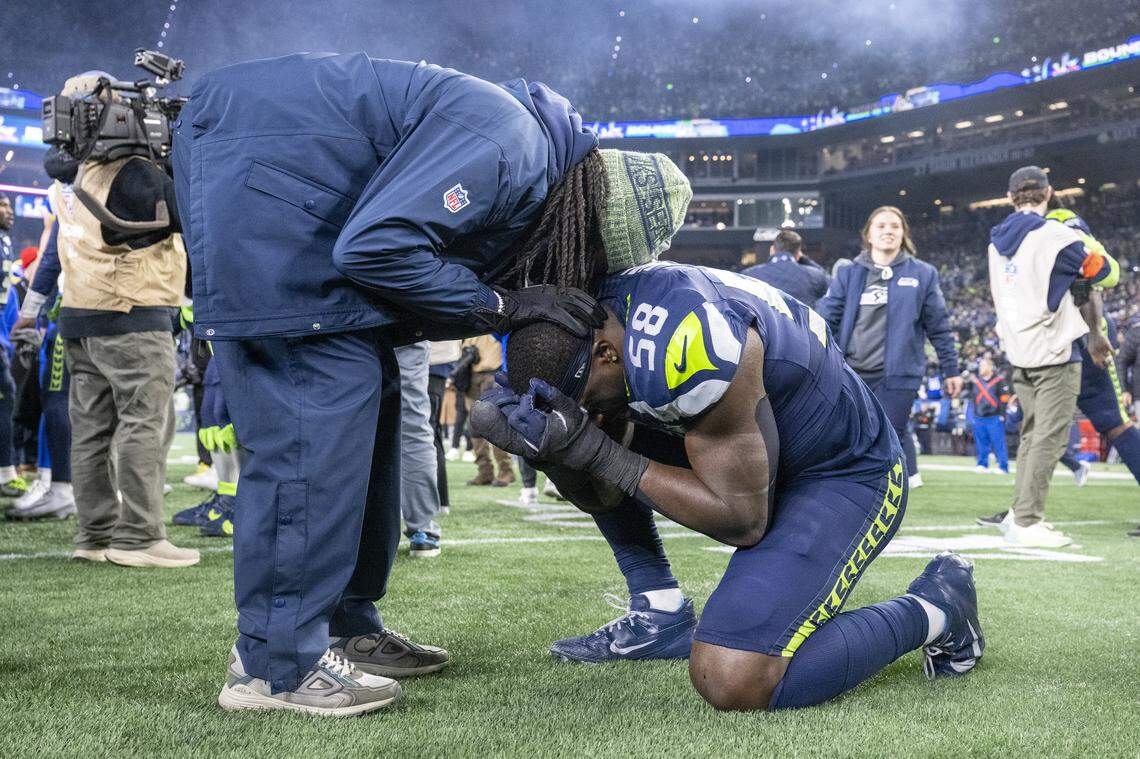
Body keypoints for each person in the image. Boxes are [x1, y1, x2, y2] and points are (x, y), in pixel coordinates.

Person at [173, 52, 691, 715]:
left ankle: (344, 626)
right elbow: (376, 247)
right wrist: (503, 307)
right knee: (317, 421)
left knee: (374, 407)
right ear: (587, 215)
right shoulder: (513, 143)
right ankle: (274, 665)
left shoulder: (526, 149)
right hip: (274, 208)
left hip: (284, 196)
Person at [473, 261, 983, 711]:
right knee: (595, 444)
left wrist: (592, 448)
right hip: (758, 447)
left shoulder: (684, 346)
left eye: (583, 399)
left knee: (733, 676)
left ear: (606, 352)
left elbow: (743, 521)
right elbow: (601, 493)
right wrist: (556, 455)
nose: (587, 415)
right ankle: (660, 611)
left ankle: (938, 607)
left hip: (841, 471)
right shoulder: (597, 317)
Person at [13, 72, 196, 567]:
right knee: (145, 424)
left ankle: (94, 536)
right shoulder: (132, 174)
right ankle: (139, 536)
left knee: (91, 429)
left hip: (80, 317)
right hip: (132, 313)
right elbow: (191, 212)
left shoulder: (69, 175)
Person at [983, 167, 1114, 548]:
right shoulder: (1058, 234)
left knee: (1031, 435)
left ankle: (1018, 514)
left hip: (1018, 350)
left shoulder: (995, 242)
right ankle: (1027, 520)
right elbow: (1102, 271)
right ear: (1049, 193)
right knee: (1051, 438)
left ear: (1010, 198)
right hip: (1054, 350)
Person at [816, 206, 961, 489]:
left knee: (890, 435)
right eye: (881, 226)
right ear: (868, 235)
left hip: (899, 375)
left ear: (903, 233)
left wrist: (951, 370)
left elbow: (939, 327)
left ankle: (888, 496)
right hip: (852, 372)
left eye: (895, 226)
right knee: (852, 437)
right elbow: (826, 318)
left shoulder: (923, 274)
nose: (888, 231)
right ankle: (861, 492)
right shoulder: (849, 273)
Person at [396, 341, 444, 557]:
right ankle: (422, 531)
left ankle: (352, 530)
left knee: (352, 422)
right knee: (413, 426)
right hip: (406, 324)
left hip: (349, 321)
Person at [0, 195, 29, 498]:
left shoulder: (5, 242)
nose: (9, 211)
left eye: (9, 205)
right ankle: (6, 473)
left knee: (7, 398)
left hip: (2, 339)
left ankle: (7, 472)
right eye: (2, 205)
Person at [463, 333, 516, 487]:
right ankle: (484, 470)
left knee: (495, 424)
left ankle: (506, 470)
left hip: (493, 373)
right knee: (473, 426)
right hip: (471, 374)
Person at [740, 228, 830, 307]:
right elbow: (833, 287)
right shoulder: (815, 275)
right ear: (799, 253)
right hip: (801, 326)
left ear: (772, 250)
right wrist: (805, 259)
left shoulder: (748, 275)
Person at [969, 357, 1011, 474]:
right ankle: (982, 464)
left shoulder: (999, 381)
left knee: (998, 443)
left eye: (983, 366)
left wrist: (1002, 414)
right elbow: (973, 398)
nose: (980, 368)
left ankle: (1003, 466)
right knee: (981, 443)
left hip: (994, 416)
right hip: (979, 417)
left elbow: (1004, 398)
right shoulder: (976, 382)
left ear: (990, 367)